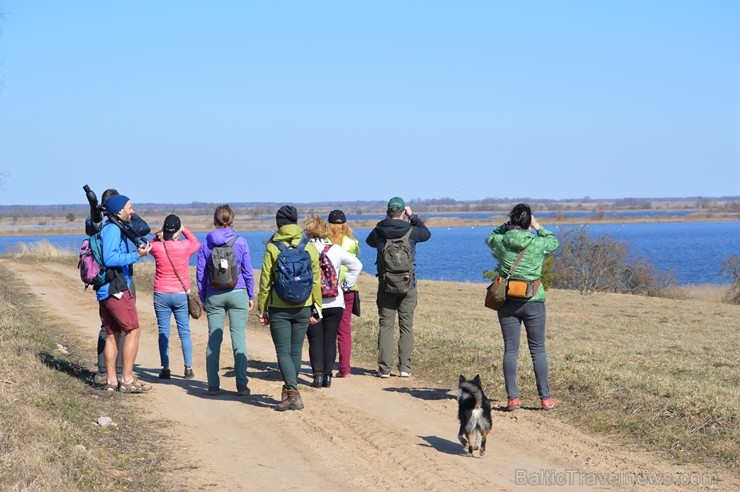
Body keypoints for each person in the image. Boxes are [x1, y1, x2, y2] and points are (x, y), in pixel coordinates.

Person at [485, 203, 560, 411]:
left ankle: (513, 399)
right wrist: (538, 226)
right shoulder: (537, 244)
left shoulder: (501, 241)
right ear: (528, 222)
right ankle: (545, 399)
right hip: (534, 300)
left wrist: (505, 226)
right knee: (538, 349)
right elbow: (554, 242)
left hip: (507, 301)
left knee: (511, 350)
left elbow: (490, 237)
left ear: (512, 221)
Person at [257, 205, 321, 411]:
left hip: (279, 306)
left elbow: (265, 280)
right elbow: (316, 281)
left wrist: (262, 307)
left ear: (278, 223)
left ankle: (293, 393)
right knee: (295, 350)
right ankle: (289, 392)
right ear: (296, 221)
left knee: (283, 351)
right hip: (304, 305)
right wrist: (316, 305)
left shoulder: (273, 247)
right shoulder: (309, 246)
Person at [86, 188, 151, 386]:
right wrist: (137, 256)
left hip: (107, 288)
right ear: (119, 210)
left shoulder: (110, 226)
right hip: (116, 288)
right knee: (133, 330)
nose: (132, 211)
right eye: (129, 207)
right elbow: (111, 258)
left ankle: (112, 381)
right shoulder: (113, 229)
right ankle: (128, 379)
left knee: (112, 334)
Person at [366, 196, 431, 378]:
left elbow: (369, 242)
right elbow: (426, 233)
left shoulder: (379, 231)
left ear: (388, 212)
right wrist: (413, 217)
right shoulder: (412, 230)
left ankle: (384, 369)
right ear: (403, 212)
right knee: (406, 326)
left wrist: (383, 222)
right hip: (408, 285)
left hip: (385, 285)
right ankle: (405, 368)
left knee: (386, 326)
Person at [196, 204, 254, 396]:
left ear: (216, 220)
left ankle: (213, 384)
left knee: (214, 339)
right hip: (238, 293)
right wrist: (251, 295)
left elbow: (201, 272)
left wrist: (203, 296)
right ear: (232, 219)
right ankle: (242, 385)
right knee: (239, 338)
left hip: (214, 294)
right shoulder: (241, 242)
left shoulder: (206, 243)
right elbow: (247, 271)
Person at [304, 215, 362, 388]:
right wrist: (345, 285)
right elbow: (356, 266)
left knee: (315, 340)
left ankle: (317, 375)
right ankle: (328, 375)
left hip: (313, 302)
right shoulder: (335, 249)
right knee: (330, 339)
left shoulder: (305, 250)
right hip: (335, 301)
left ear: (309, 232)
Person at [149, 214, 201, 380]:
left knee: (163, 332)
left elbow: (149, 245)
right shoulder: (185, 246)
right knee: (184, 332)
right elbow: (197, 243)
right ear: (178, 231)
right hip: (180, 294)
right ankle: (188, 368)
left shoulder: (157, 247)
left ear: (165, 230)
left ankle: (165, 368)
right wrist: (185, 229)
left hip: (161, 294)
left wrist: (158, 236)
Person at [327, 209, 361, 378]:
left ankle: (325, 365)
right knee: (344, 330)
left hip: (328, 289)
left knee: (327, 330)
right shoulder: (352, 242)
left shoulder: (325, 241)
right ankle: (345, 368)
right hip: (348, 289)